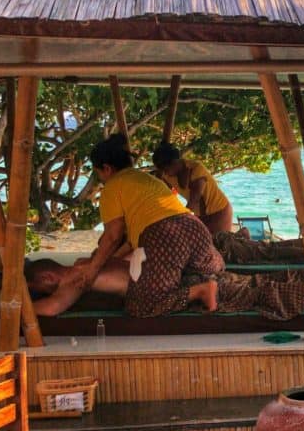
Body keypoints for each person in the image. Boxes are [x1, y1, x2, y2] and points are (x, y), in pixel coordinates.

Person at [76, 134, 222, 318]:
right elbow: (129, 243)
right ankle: (208, 285)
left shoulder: (112, 187)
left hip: (166, 237)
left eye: (98, 173)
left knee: (142, 305)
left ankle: (199, 291)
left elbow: (112, 236)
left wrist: (92, 270)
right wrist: (106, 261)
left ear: (106, 168)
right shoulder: (147, 179)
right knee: (209, 274)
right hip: (195, 228)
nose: (100, 178)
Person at [25, 258, 304, 320]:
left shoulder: (74, 279)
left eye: (38, 288)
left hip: (175, 286)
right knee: (255, 283)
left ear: (48, 279)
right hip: (178, 273)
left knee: (256, 295)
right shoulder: (90, 259)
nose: (43, 293)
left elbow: (53, 308)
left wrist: (15, 307)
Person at [152, 143, 234, 235]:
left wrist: (179, 219)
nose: (165, 173)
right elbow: (167, 196)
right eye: (162, 170)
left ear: (175, 162)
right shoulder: (167, 175)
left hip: (219, 211)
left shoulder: (196, 169)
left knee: (220, 244)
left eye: (166, 169)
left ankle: (243, 235)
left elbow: (194, 199)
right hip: (200, 214)